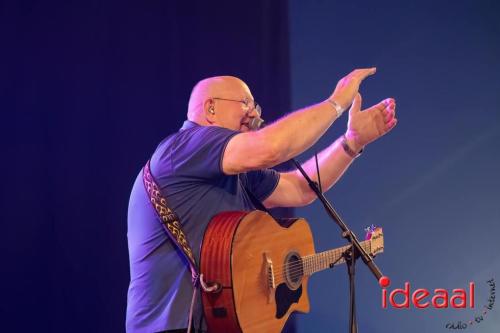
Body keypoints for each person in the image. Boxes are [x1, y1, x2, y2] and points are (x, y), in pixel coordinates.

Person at [126, 68, 397, 333]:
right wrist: (336, 103)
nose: (254, 113)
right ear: (210, 109)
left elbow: (301, 189)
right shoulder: (187, 146)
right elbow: (271, 147)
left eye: (255, 105)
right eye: (245, 103)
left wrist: (351, 143)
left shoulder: (237, 169)